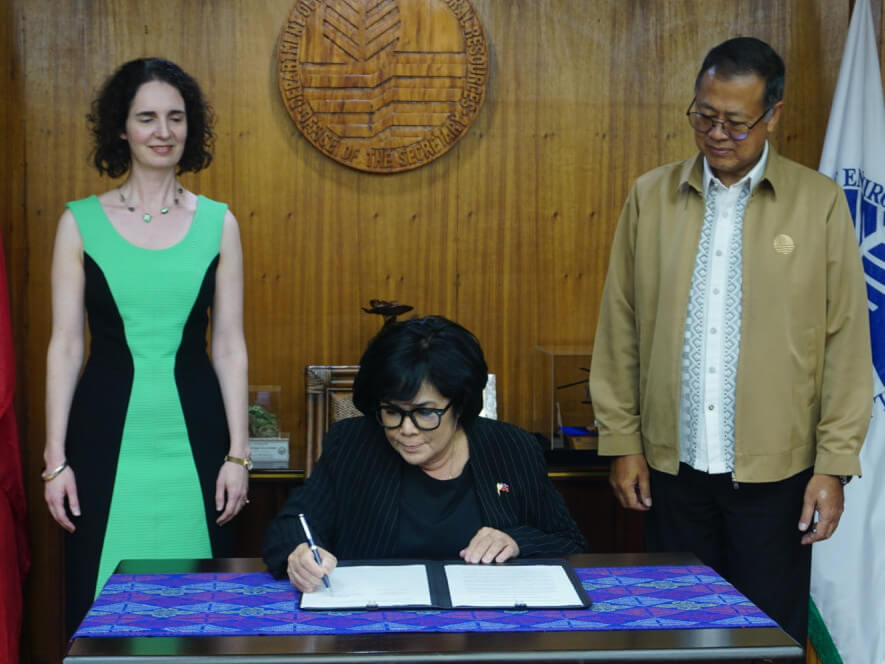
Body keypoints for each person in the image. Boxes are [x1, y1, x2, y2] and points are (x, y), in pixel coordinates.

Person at [589, 37, 872, 648]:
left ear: (772, 115)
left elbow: (847, 344)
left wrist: (835, 467)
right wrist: (622, 441)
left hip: (779, 485)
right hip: (672, 473)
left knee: (766, 643)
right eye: (704, 116)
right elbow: (621, 329)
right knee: (675, 636)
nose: (717, 133)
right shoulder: (649, 197)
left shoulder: (818, 204)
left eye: (736, 122)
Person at [42, 58, 250, 637]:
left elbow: (229, 345)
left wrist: (238, 454)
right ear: (122, 129)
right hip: (103, 435)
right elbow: (64, 346)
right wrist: (54, 460)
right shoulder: (79, 222)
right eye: (147, 118)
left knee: (200, 613)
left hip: (198, 432)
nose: (163, 131)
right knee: (104, 610)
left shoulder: (219, 223)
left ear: (192, 127)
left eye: (176, 118)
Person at [263, 316, 585, 591]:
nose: (406, 429)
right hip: (378, 632)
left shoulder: (512, 449)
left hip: (485, 634)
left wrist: (517, 542)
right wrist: (300, 553)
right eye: (392, 411)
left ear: (459, 406)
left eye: (425, 413)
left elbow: (569, 540)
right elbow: (290, 525)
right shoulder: (353, 444)